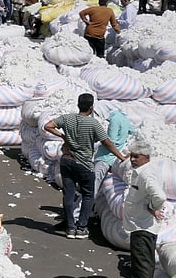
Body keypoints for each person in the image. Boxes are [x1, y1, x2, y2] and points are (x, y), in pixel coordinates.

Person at [43, 93, 127, 240]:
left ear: (78, 105)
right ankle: (81, 228)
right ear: (91, 107)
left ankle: (70, 228)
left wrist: (63, 136)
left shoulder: (67, 118)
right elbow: (107, 142)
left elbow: (48, 126)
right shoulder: (93, 124)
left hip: (67, 161)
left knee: (68, 194)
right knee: (88, 195)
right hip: (84, 164)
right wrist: (121, 157)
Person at [122, 139, 167, 278]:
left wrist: (153, 208)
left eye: (136, 156)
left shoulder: (146, 175)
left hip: (143, 226)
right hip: (138, 224)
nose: (132, 159)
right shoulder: (142, 171)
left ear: (146, 157)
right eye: (131, 156)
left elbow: (160, 196)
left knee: (142, 262)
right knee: (140, 261)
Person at [93, 108, 133, 204]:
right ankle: (89, 211)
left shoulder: (115, 119)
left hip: (105, 157)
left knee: (93, 185)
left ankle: (77, 213)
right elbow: (133, 131)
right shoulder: (125, 120)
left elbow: (110, 141)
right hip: (114, 159)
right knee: (99, 186)